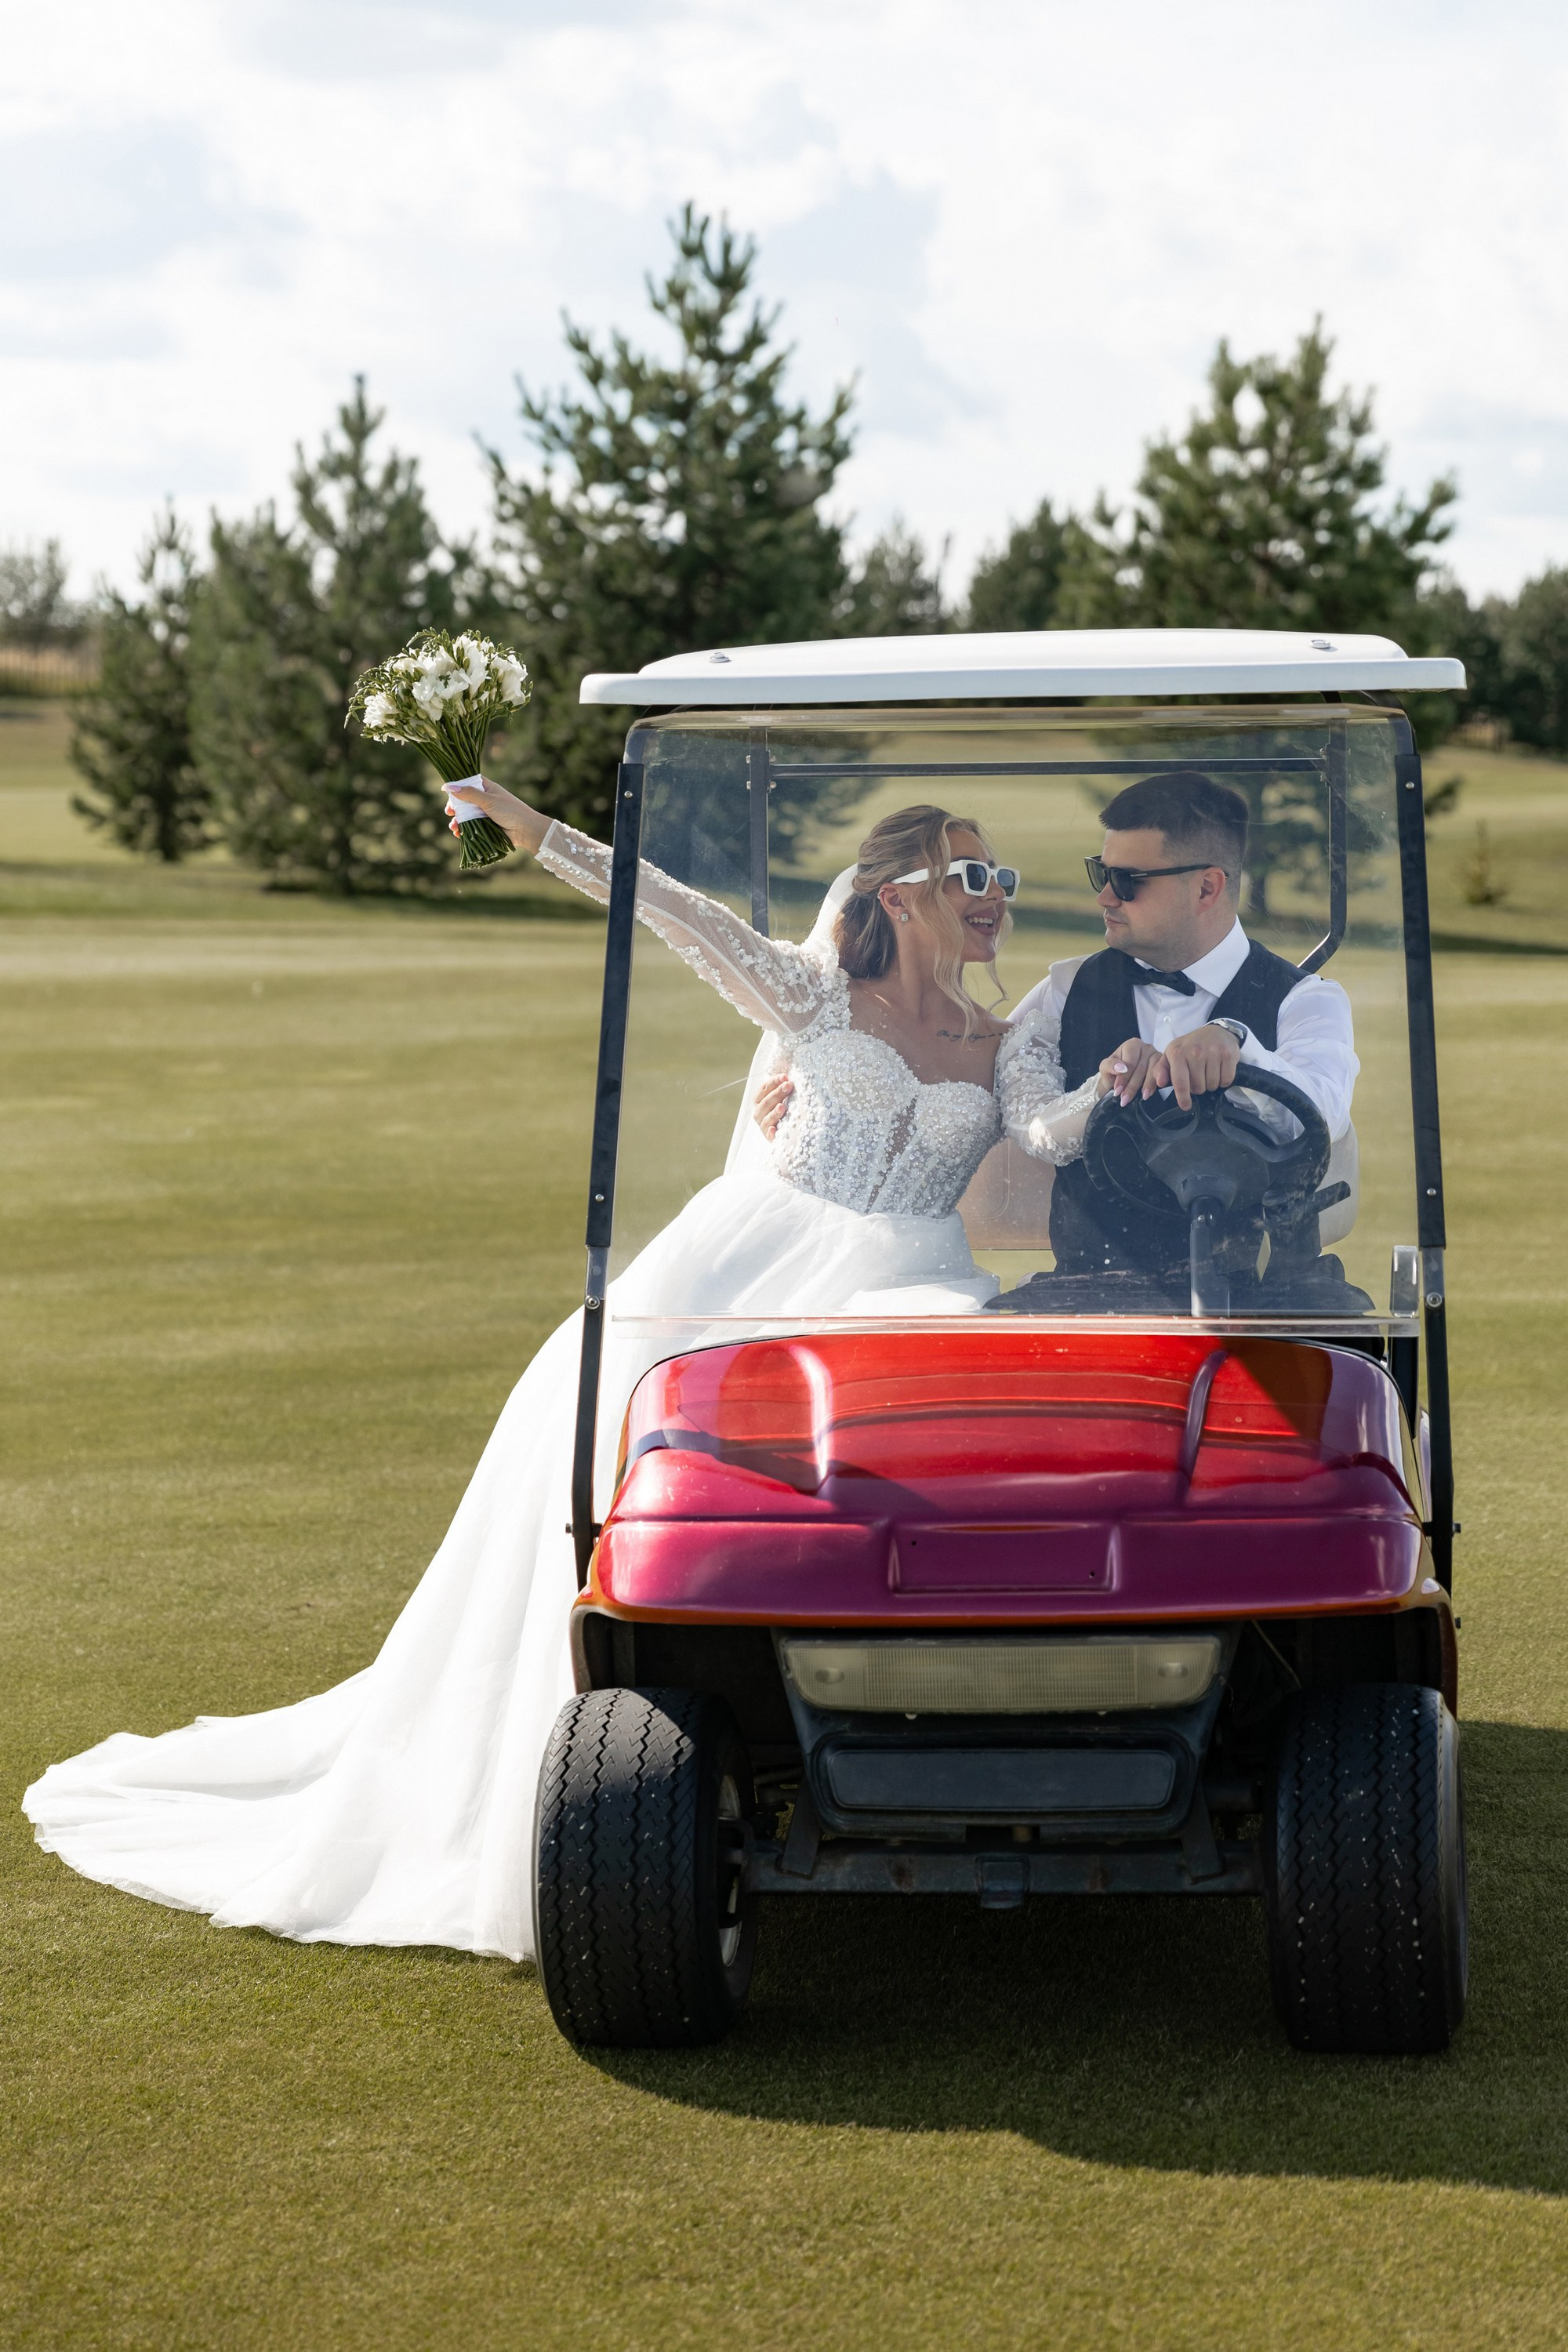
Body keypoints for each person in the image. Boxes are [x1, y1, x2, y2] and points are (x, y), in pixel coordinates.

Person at [23, 792, 1083, 1965]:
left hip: (900, 1293)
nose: (995, 904)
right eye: (969, 879)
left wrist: (1152, 1074)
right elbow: (668, 911)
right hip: (743, 1272)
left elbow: (1050, 1142)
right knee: (629, 1496)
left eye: (1004, 883)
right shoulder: (812, 993)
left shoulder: (1005, 1042)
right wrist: (522, 822)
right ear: (898, 897)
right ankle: (596, 1780)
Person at [754, 768, 1359, 1290]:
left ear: (1207, 886)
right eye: (1101, 871)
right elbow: (951, 1080)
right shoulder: (1067, 993)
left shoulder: (1305, 1002)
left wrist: (1234, 1040)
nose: (1103, 897)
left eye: (1127, 881)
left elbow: (1323, 1108)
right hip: (1093, 1292)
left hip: (1255, 1294)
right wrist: (815, 1103)